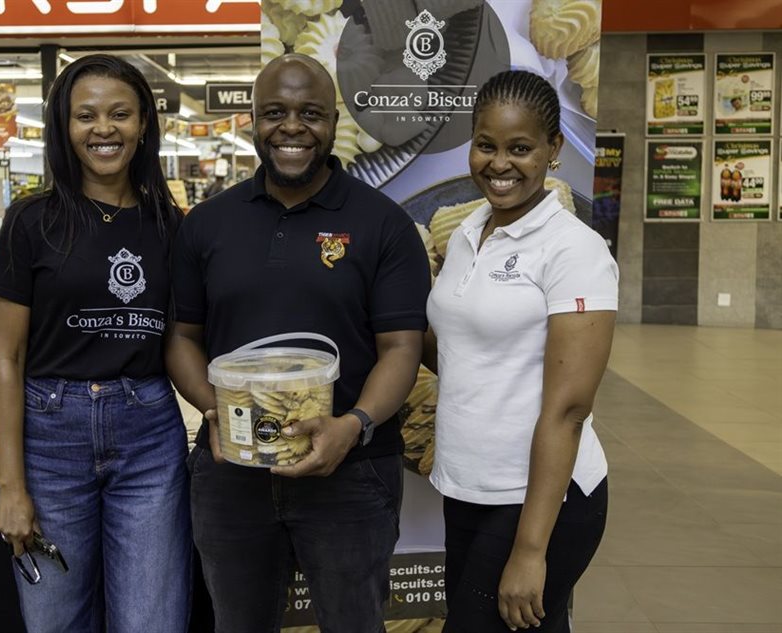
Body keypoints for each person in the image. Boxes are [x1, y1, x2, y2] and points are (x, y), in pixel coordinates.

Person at [167, 53, 431, 633]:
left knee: (353, 624)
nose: (292, 128)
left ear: (335, 122)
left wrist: (354, 423)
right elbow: (182, 339)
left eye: (311, 113)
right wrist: (215, 410)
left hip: (351, 472)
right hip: (232, 472)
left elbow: (402, 349)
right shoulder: (207, 224)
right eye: (274, 113)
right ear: (252, 120)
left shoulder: (383, 224)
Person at [0, 54, 191, 633]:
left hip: (149, 433)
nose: (104, 129)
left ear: (144, 123)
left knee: (154, 619)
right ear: (63, 128)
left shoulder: (169, 224)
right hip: (50, 436)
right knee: (54, 619)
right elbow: (6, 359)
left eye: (120, 114)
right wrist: (12, 486)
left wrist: (219, 405)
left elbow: (175, 340)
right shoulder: (31, 221)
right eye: (86, 116)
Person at [423, 70, 618, 632]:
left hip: (540, 499)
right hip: (467, 486)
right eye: (486, 145)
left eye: (521, 148)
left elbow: (570, 408)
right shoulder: (468, 233)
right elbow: (463, 352)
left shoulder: (574, 250)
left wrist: (532, 550)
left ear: (554, 149)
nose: (499, 163)